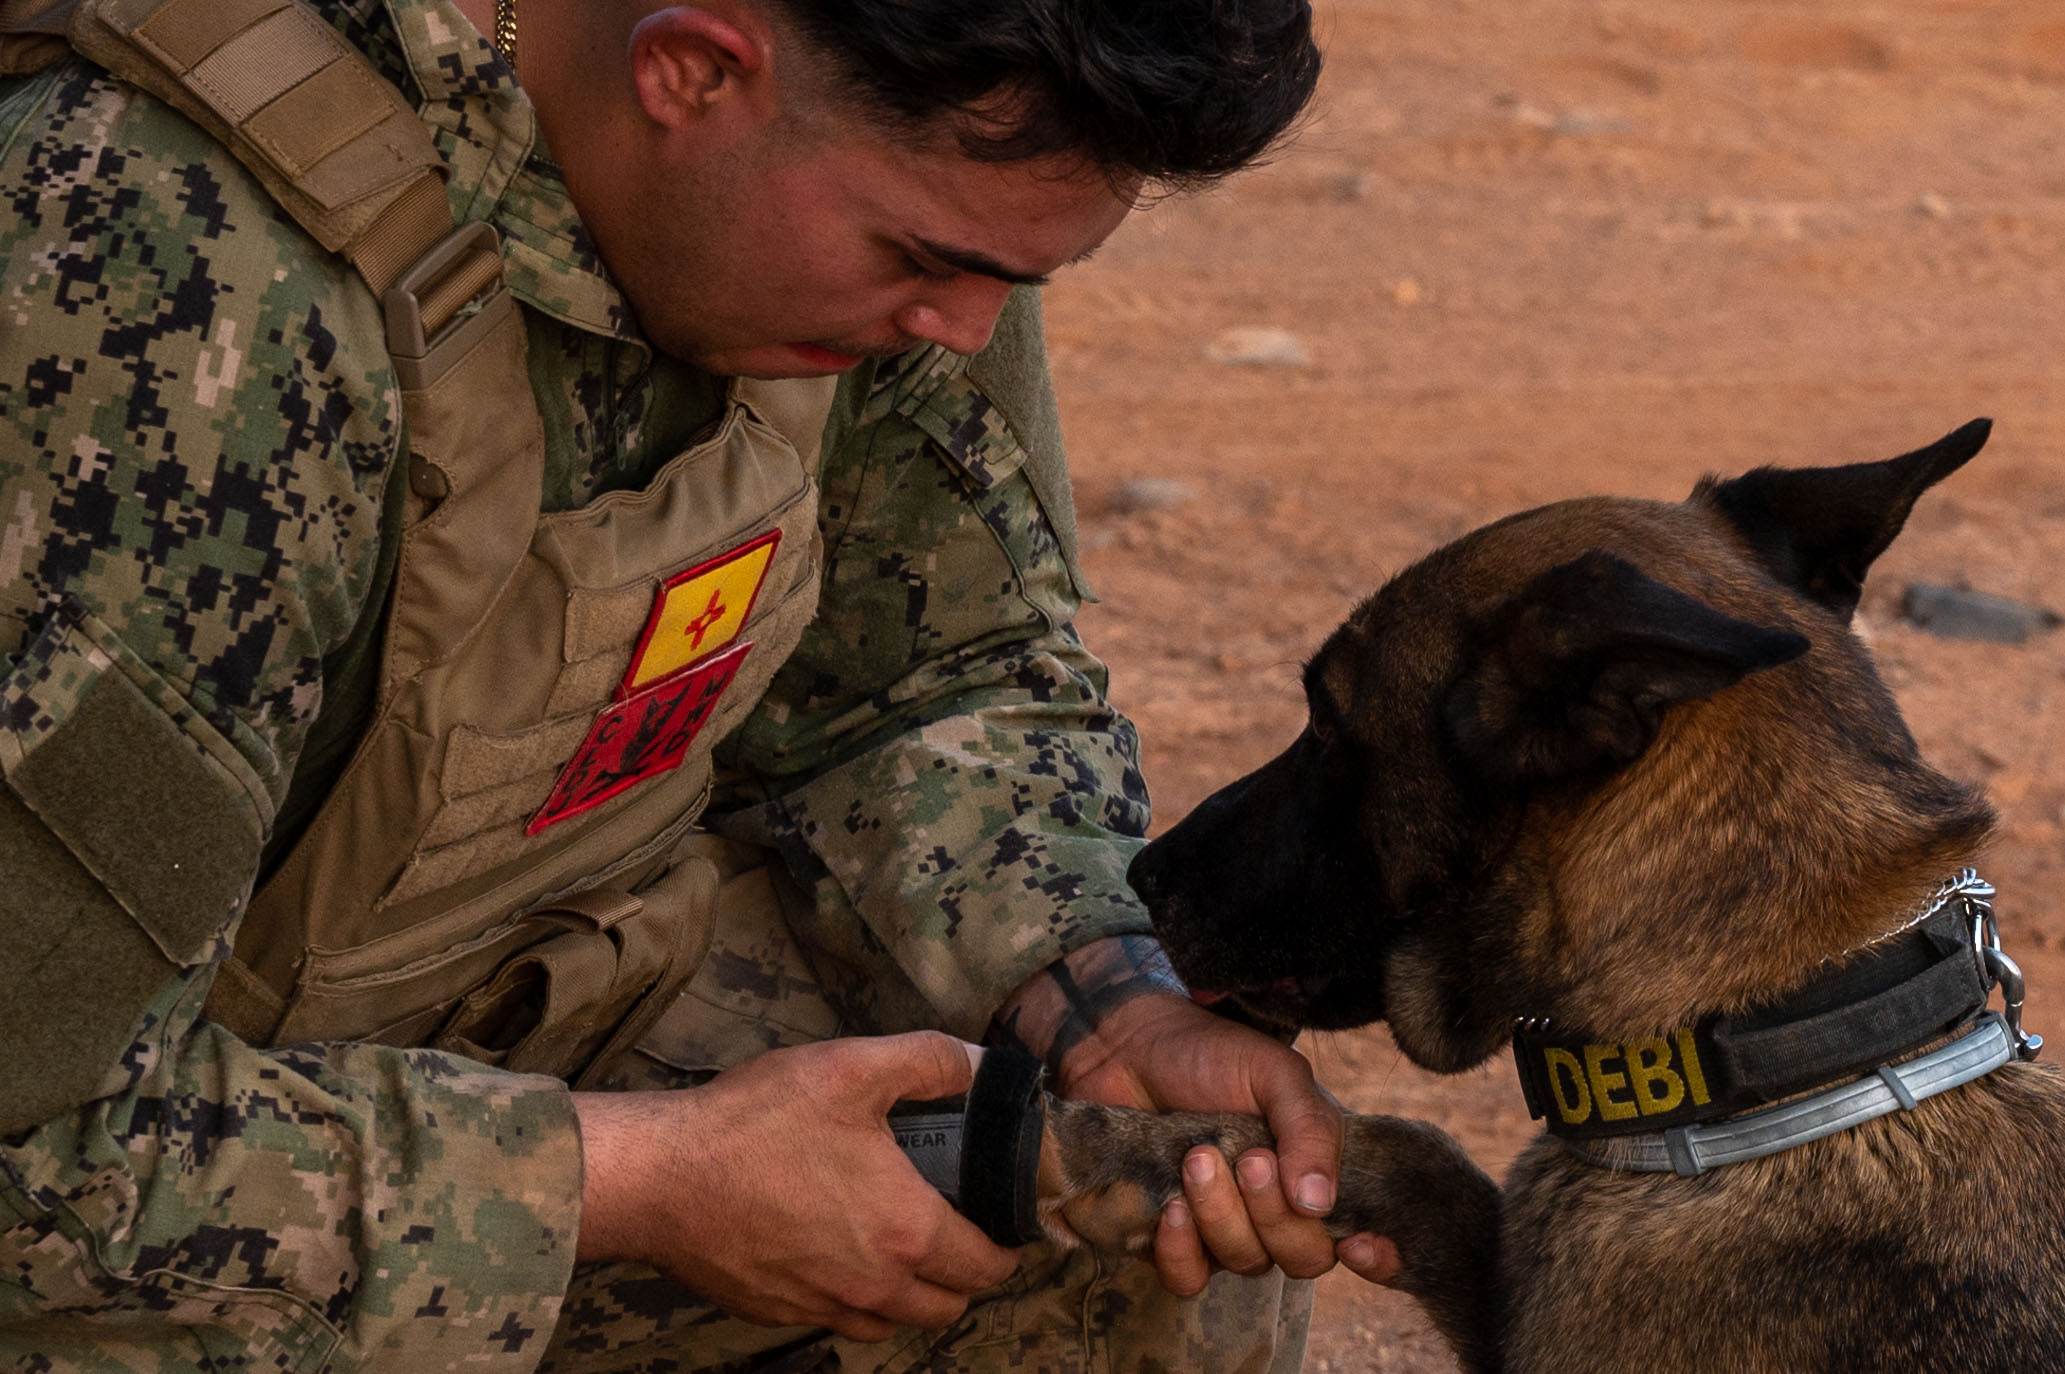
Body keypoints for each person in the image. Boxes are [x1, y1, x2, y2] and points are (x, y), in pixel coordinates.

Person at [0, 0, 1398, 1368]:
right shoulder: (164, 282)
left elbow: (926, 673)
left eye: (1010, 284)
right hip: (89, 1153)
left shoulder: (867, 170)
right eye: (926, 257)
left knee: (1106, 1217)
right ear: (690, 69)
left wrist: (1100, 1000)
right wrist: (638, 1183)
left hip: (459, 998)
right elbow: (29, 1130)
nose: (964, 332)